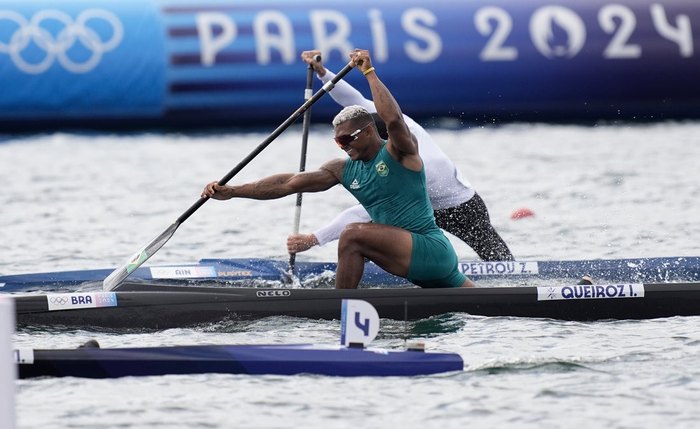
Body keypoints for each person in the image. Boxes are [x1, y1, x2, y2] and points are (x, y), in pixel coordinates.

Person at [202, 49, 474, 289]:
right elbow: (288, 183)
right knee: (478, 301)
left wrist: (369, 72)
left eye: (346, 139)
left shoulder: (400, 153)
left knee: (353, 235)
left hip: (430, 251)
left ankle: (340, 307)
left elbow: (393, 119)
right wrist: (233, 192)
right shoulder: (343, 169)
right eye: (337, 141)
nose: (341, 146)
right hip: (412, 261)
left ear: (367, 132)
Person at [287, 50, 514, 262]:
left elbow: (367, 209)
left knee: (498, 258)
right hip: (420, 204)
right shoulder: (384, 122)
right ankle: (369, 267)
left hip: (460, 208)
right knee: (372, 238)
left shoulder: (417, 163)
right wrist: (322, 72)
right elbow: (352, 99)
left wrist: (314, 238)